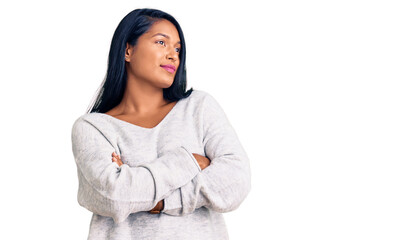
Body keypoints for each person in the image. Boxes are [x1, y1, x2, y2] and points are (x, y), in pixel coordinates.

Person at [71, 8, 251, 240]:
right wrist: (191, 162)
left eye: (177, 48)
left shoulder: (199, 107)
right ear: (128, 50)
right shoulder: (93, 128)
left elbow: (235, 182)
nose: (173, 55)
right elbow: (115, 196)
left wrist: (158, 200)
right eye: (161, 42)